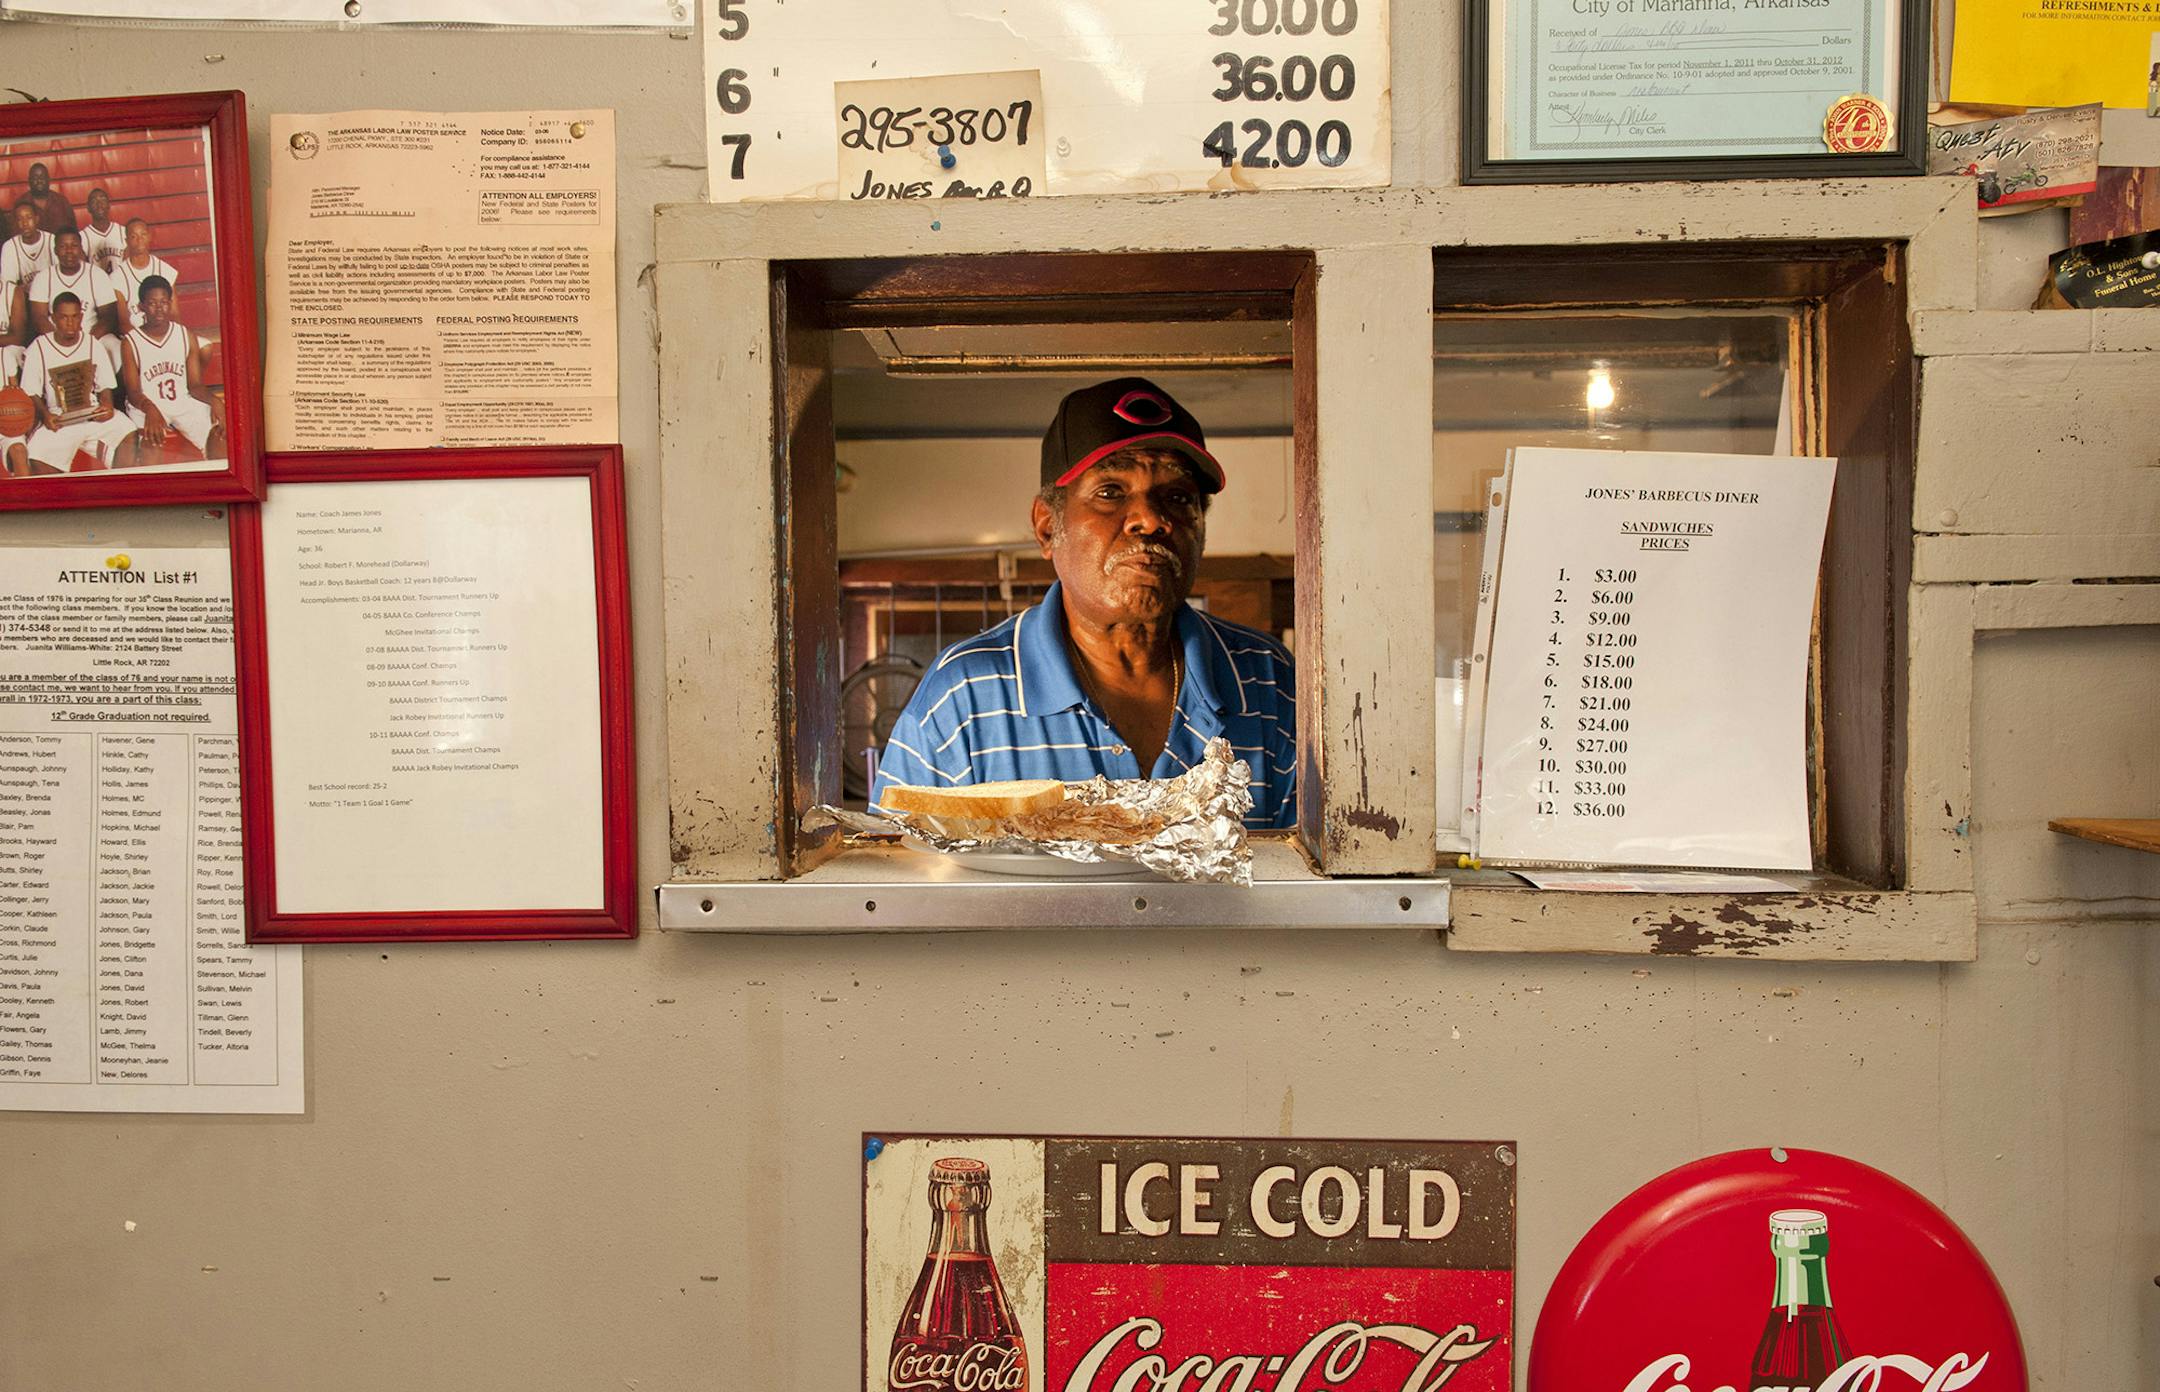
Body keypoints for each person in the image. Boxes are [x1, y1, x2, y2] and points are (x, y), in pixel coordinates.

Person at [869, 377, 1298, 828]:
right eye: (1111, 492)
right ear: (1047, 528)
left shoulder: (1268, 679)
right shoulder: (966, 695)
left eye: (1177, 497)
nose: (1150, 520)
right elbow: (898, 881)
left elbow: (1317, 882)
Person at [19, 291, 135, 474]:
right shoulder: (39, 347)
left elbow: (105, 385)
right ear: (53, 318)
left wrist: (107, 405)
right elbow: (30, 391)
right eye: (64, 317)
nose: (70, 322)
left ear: (81, 317)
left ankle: (115, 488)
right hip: (58, 416)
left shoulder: (92, 343)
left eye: (74, 317)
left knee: (129, 432)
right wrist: (45, 415)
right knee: (36, 457)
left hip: (92, 412)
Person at [118, 275, 221, 465]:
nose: (159, 309)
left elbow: (195, 385)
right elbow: (132, 391)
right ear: (141, 307)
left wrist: (214, 400)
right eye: (152, 303)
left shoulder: (184, 335)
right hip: (145, 406)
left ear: (170, 303)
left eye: (164, 302)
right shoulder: (130, 342)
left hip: (182, 402)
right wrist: (151, 410)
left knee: (219, 436)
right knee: (151, 448)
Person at [27, 230, 121, 377]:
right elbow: (39, 318)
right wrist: (60, 342)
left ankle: (116, 397)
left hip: (93, 335)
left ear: (81, 248)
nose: (69, 251)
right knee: (32, 352)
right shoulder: (43, 278)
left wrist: (85, 342)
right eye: (63, 246)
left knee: (115, 347)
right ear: (55, 250)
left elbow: (109, 317)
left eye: (74, 245)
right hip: (56, 336)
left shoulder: (97, 275)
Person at [111, 218, 180, 333]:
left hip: (163, 333)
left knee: (205, 346)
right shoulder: (117, 276)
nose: (139, 240)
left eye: (143, 234)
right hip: (134, 336)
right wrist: (145, 343)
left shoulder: (164, 270)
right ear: (126, 241)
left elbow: (174, 314)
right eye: (134, 236)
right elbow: (123, 323)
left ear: (149, 237)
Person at [1, 201, 53, 343]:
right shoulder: (10, 247)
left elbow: (59, 279)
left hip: (50, 302)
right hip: (26, 304)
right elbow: (11, 289)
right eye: (20, 219)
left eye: (28, 217)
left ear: (36, 218)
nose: (24, 223)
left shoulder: (52, 241)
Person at [21, 163, 76, 236]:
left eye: (42, 177)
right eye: (35, 178)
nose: (39, 181)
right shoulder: (21, 204)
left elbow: (73, 231)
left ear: (49, 179)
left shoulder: (62, 202)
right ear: (29, 180)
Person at [79, 188, 125, 274]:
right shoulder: (83, 237)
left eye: (103, 200)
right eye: (94, 201)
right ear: (88, 208)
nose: (99, 204)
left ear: (109, 205)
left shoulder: (122, 232)